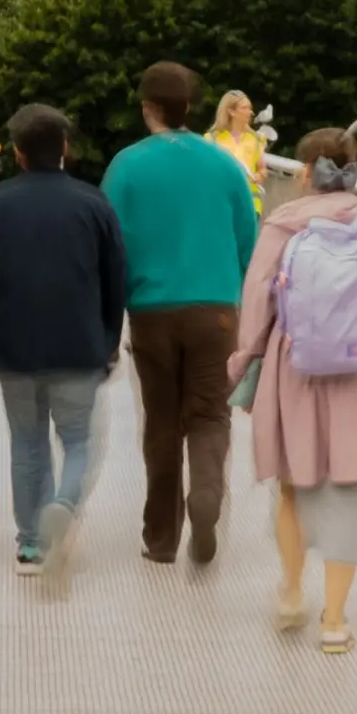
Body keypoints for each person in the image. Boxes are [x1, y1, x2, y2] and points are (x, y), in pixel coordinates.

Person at [230, 126, 357, 654]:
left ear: (302, 172)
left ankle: (292, 592)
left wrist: (243, 358)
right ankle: (335, 621)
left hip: (293, 366)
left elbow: (257, 299)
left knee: (294, 485)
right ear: (352, 168)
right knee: (344, 494)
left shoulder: (283, 224)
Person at [0, 104, 127, 581]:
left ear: (18, 153)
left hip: (16, 348)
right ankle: (64, 507)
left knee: (27, 445)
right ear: (65, 148)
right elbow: (116, 280)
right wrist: (110, 340)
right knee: (78, 441)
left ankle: (30, 543)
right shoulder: (94, 203)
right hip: (79, 346)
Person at [102, 60, 261, 565]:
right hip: (216, 310)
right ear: (190, 108)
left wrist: (110, 319)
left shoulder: (126, 165)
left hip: (150, 310)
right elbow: (247, 246)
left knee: (162, 421)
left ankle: (162, 537)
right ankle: (208, 494)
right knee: (211, 414)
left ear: (147, 108)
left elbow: (109, 250)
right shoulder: (225, 166)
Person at [205, 90, 267, 196]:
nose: (250, 112)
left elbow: (262, 169)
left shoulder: (255, 139)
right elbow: (204, 170)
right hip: (221, 199)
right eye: (244, 108)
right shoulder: (212, 139)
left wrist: (259, 176)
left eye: (250, 108)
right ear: (231, 112)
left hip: (250, 203)